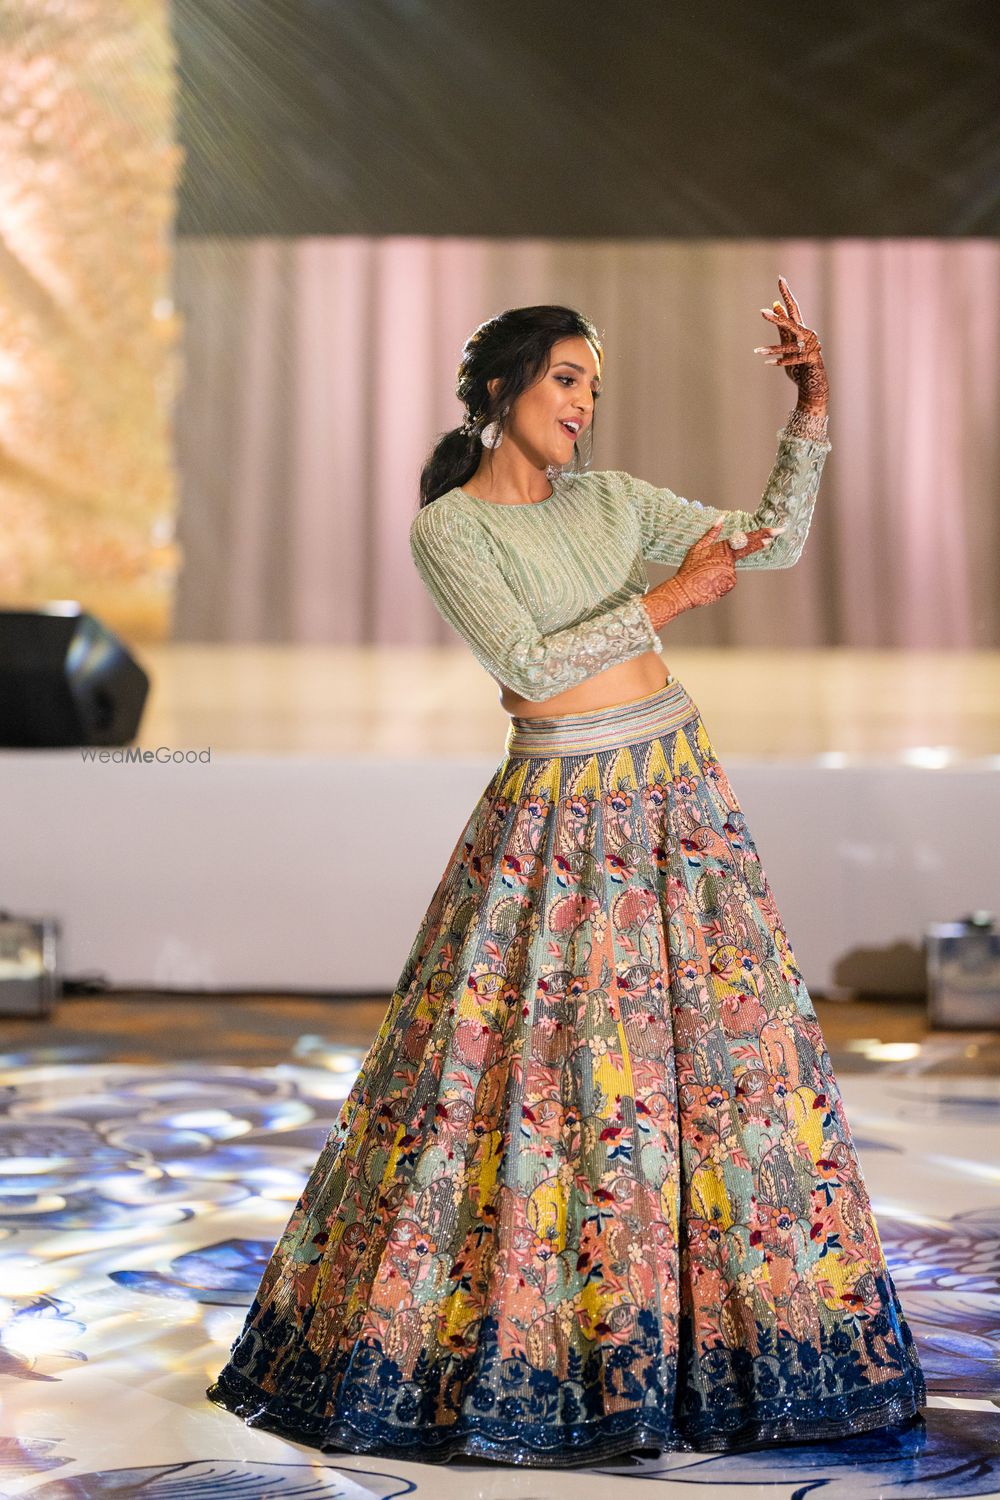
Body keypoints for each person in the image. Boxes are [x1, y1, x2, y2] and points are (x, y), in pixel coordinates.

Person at [206, 283, 927, 1467]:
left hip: (676, 795)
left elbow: (773, 539)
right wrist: (667, 600)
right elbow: (531, 671)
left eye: (593, 383)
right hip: (559, 813)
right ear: (501, 390)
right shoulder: (452, 528)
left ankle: (730, 1350)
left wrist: (813, 406)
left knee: (718, 1068)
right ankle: (549, 1350)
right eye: (565, 380)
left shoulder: (613, 502)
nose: (585, 404)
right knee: (545, 1079)